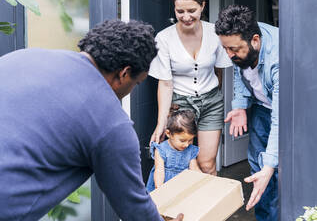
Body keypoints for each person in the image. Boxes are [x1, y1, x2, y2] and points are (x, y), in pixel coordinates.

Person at [0, 19, 183, 221]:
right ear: (124, 74)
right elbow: (134, 209)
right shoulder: (111, 124)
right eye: (136, 83)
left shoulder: (24, 57)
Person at [149, 0, 232, 176]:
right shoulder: (164, 38)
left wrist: (213, 93)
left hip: (211, 102)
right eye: (180, 11)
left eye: (192, 10)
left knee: (206, 163)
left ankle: (211, 206)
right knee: (182, 163)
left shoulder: (215, 33)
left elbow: (220, 69)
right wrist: (162, 122)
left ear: (203, 6)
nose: (186, 17)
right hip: (180, 104)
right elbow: (165, 83)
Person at [215, 5, 279, 221]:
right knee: (258, 169)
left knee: (273, 170)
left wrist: (270, 165)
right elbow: (239, 67)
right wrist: (240, 105)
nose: (229, 55)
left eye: (234, 49)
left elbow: (280, 120)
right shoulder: (240, 43)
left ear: (255, 40)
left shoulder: (278, 60)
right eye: (225, 49)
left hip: (287, 114)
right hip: (261, 109)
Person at [146, 106, 201, 192]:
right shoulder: (161, 150)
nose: (186, 144)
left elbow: (194, 169)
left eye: (190, 140)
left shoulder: (190, 150)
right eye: (182, 140)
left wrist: (203, 181)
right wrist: (159, 189)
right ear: (168, 133)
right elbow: (159, 171)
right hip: (164, 185)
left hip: (182, 186)